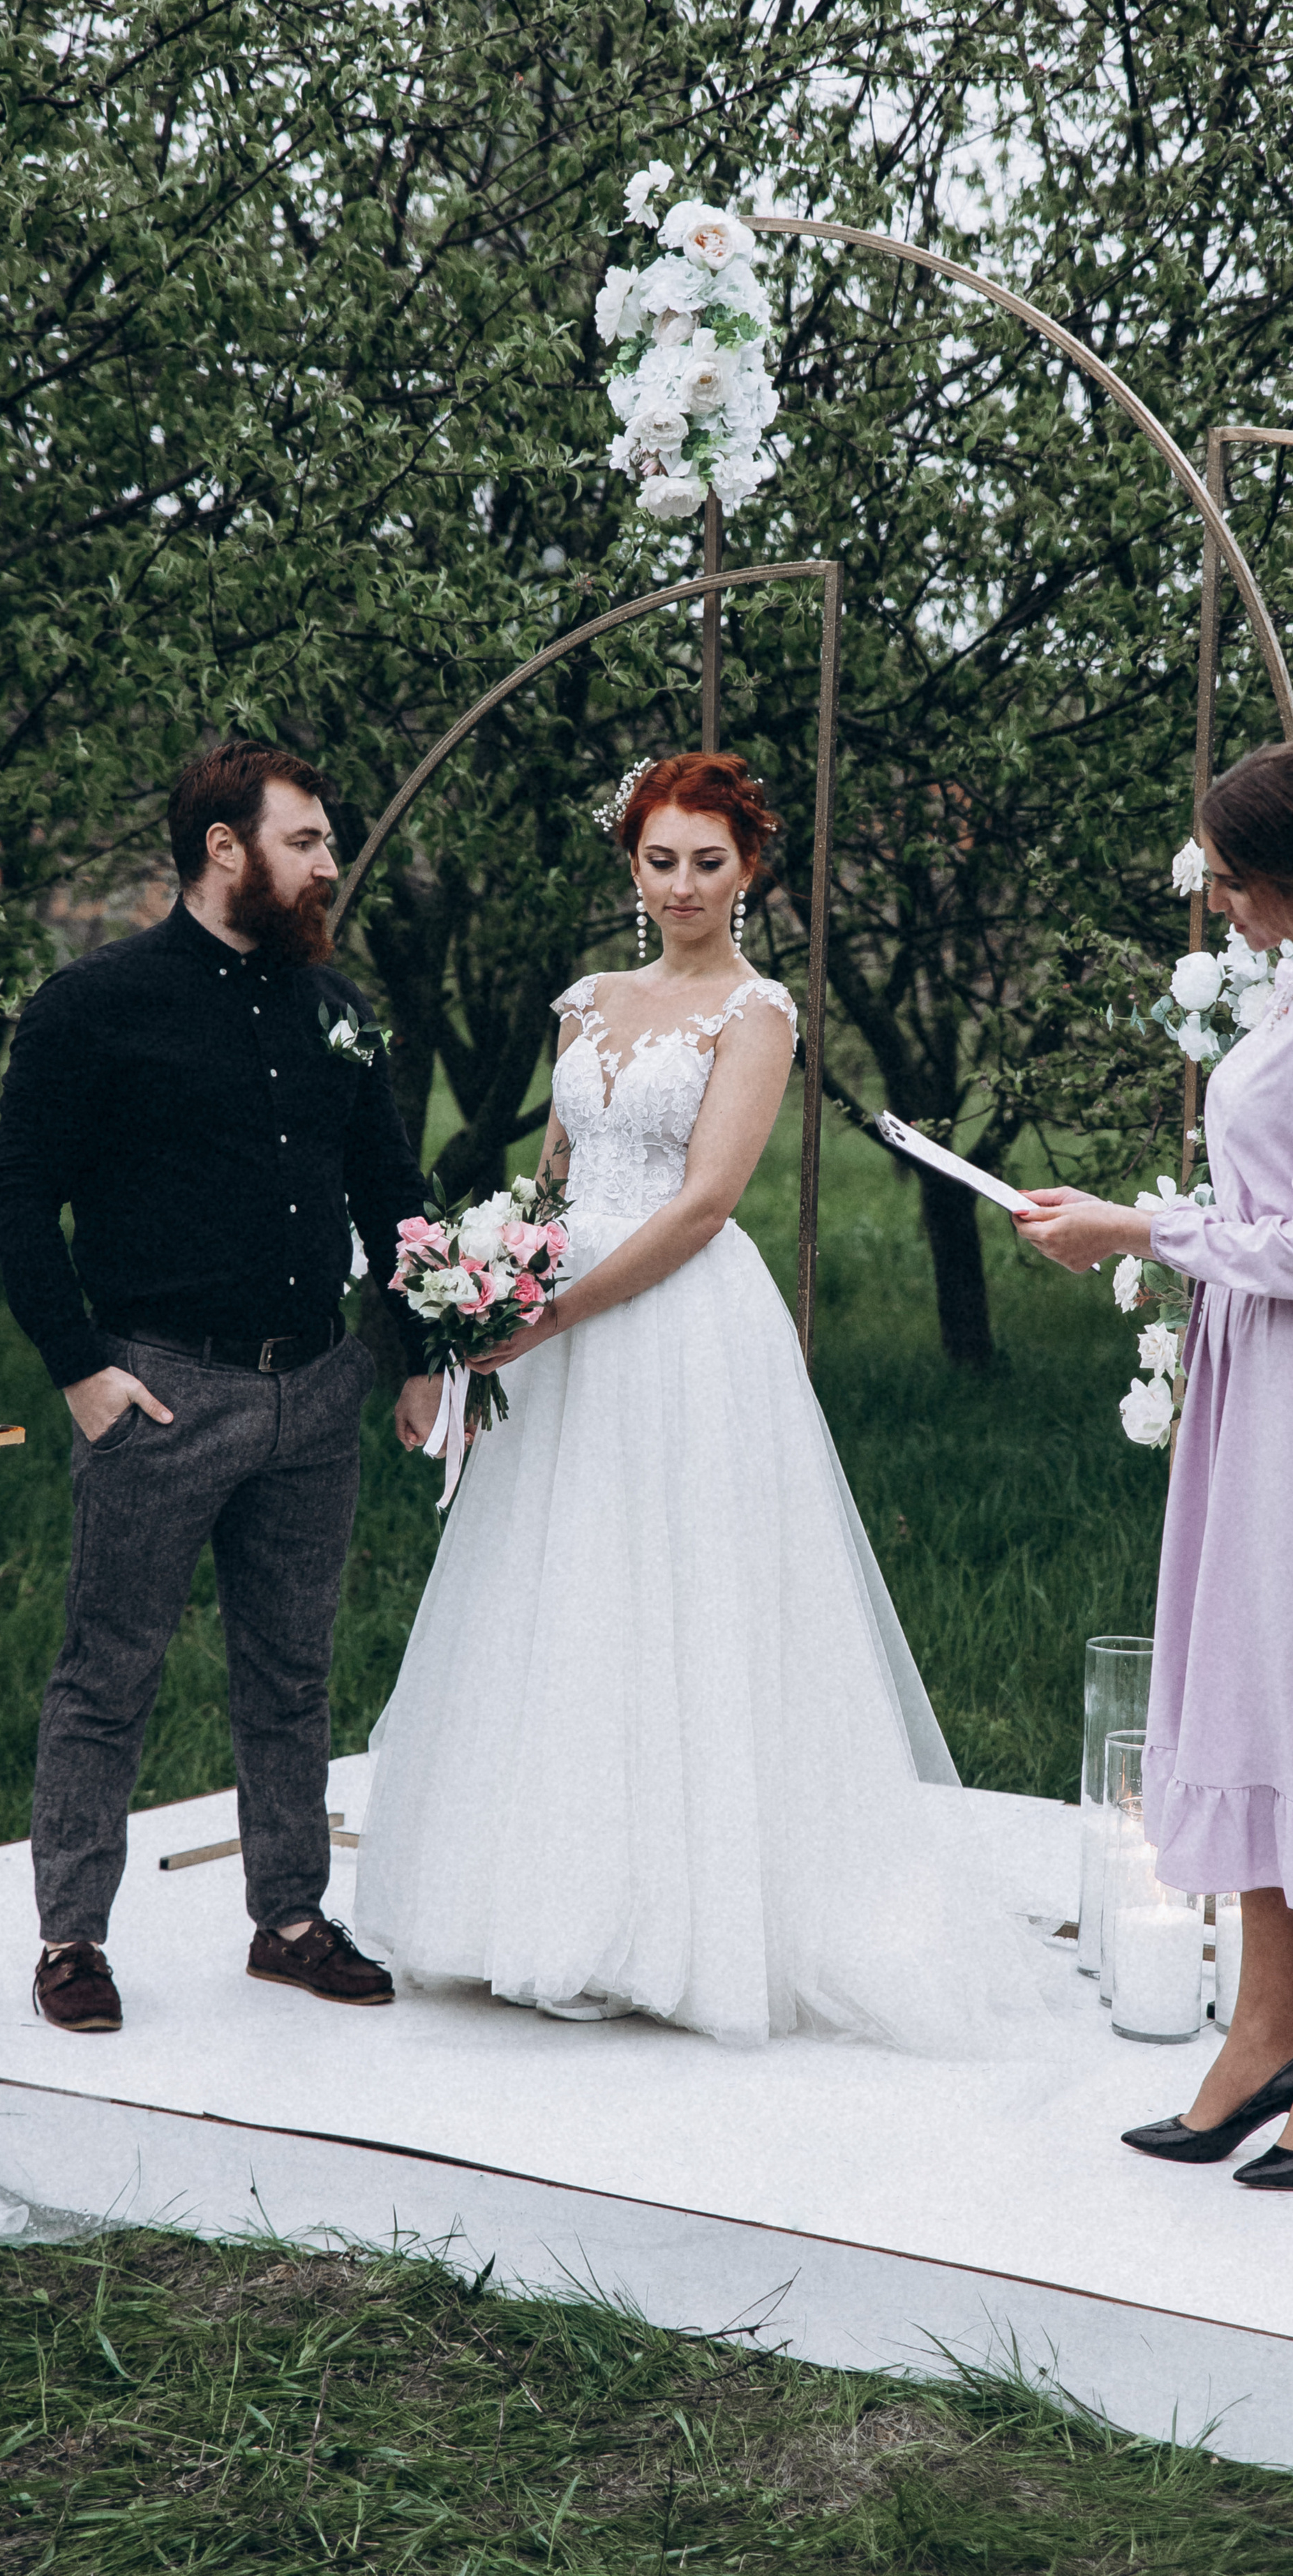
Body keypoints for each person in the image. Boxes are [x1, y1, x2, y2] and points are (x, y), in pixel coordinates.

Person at [354, 751, 1055, 2054]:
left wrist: (555, 1311)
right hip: (555, 1320)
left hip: (674, 1323)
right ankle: (536, 1904)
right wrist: (489, 1291)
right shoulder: (585, 1002)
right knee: (559, 1588)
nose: (682, 886)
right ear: (633, 865)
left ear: (750, 870)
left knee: (681, 1589)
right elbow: (553, 1175)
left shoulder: (757, 1011)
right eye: (661, 860)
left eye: (708, 863)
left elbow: (705, 1202)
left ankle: (687, 1922)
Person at [1019, 740, 1293, 2191]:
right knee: (1263, 1684)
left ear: (1287, 879)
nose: (1212, 900)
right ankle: (1268, 2030)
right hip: (1257, 1369)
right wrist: (1141, 1224)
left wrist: (1136, 1230)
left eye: (1224, 877)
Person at [0, 741, 442, 2034]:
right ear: (224, 849)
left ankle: (289, 1921)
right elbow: (16, 1201)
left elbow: (391, 1195)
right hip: (161, 1392)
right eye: (307, 841)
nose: (330, 864)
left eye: (328, 842)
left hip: (316, 1392)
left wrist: (419, 1360)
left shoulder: (337, 1007)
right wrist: (82, 1372)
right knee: (107, 1674)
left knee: (292, 1674)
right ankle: (72, 1939)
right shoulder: (94, 1004)